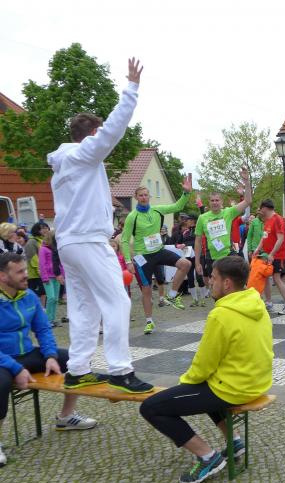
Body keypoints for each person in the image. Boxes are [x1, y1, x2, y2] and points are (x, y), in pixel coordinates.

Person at [47, 57, 151, 393]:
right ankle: (121, 370)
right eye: (97, 134)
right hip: (88, 240)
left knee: (84, 306)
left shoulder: (61, 165)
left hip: (68, 242)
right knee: (118, 301)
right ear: (91, 135)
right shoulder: (83, 155)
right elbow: (114, 130)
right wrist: (131, 89)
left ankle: (78, 369)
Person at [139, 256, 273, 483]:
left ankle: (207, 457)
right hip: (257, 382)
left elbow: (203, 364)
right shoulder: (256, 304)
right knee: (207, 385)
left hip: (235, 388)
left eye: (213, 278)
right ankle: (235, 442)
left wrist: (184, 383)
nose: (210, 282)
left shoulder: (221, 314)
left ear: (227, 283)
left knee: (151, 408)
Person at [0, 253, 99, 466]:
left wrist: (50, 356)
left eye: (25, 270)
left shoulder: (28, 296)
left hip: (26, 353)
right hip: (3, 360)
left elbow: (43, 329)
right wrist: (15, 368)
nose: (26, 275)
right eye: (20, 272)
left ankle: (65, 417)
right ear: (2, 276)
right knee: (1, 382)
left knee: (76, 361)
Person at [120, 176, 193, 334]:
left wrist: (186, 193)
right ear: (136, 197)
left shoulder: (157, 210)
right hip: (142, 257)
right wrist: (128, 261)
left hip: (158, 251)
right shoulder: (132, 217)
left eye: (146, 195)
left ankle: (172, 295)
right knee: (146, 291)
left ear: (149, 196)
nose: (144, 198)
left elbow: (177, 206)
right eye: (141, 195)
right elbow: (124, 240)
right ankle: (149, 322)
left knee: (186, 264)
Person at [194, 168, 252, 281]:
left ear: (221, 202)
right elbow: (198, 241)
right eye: (212, 200)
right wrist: (197, 262)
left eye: (217, 200)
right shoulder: (202, 218)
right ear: (209, 202)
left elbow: (248, 201)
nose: (215, 202)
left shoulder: (229, 212)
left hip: (228, 254)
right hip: (212, 257)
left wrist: (246, 182)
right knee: (216, 287)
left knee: (239, 278)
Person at [249, 199, 285, 314]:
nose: (260, 211)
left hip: (277, 255)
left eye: (261, 208)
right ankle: (268, 303)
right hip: (267, 255)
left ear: (265, 208)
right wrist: (258, 249)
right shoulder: (267, 220)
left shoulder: (277, 219)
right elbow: (264, 237)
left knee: (277, 278)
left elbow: (280, 239)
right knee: (265, 277)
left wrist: (272, 254)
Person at [38, 231, 64, 328]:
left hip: (56, 276)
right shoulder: (43, 249)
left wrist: (62, 274)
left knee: (56, 299)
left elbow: (60, 263)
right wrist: (44, 277)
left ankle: (52, 319)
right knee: (51, 298)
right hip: (48, 277)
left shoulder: (55, 249)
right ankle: (47, 320)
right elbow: (42, 264)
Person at [24, 222, 49, 308]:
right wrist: (40, 270)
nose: (46, 230)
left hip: (44, 272)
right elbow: (32, 258)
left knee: (44, 293)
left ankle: (43, 309)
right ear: (36, 230)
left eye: (46, 228)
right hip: (35, 274)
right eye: (43, 228)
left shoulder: (44, 240)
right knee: (38, 293)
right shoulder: (32, 241)